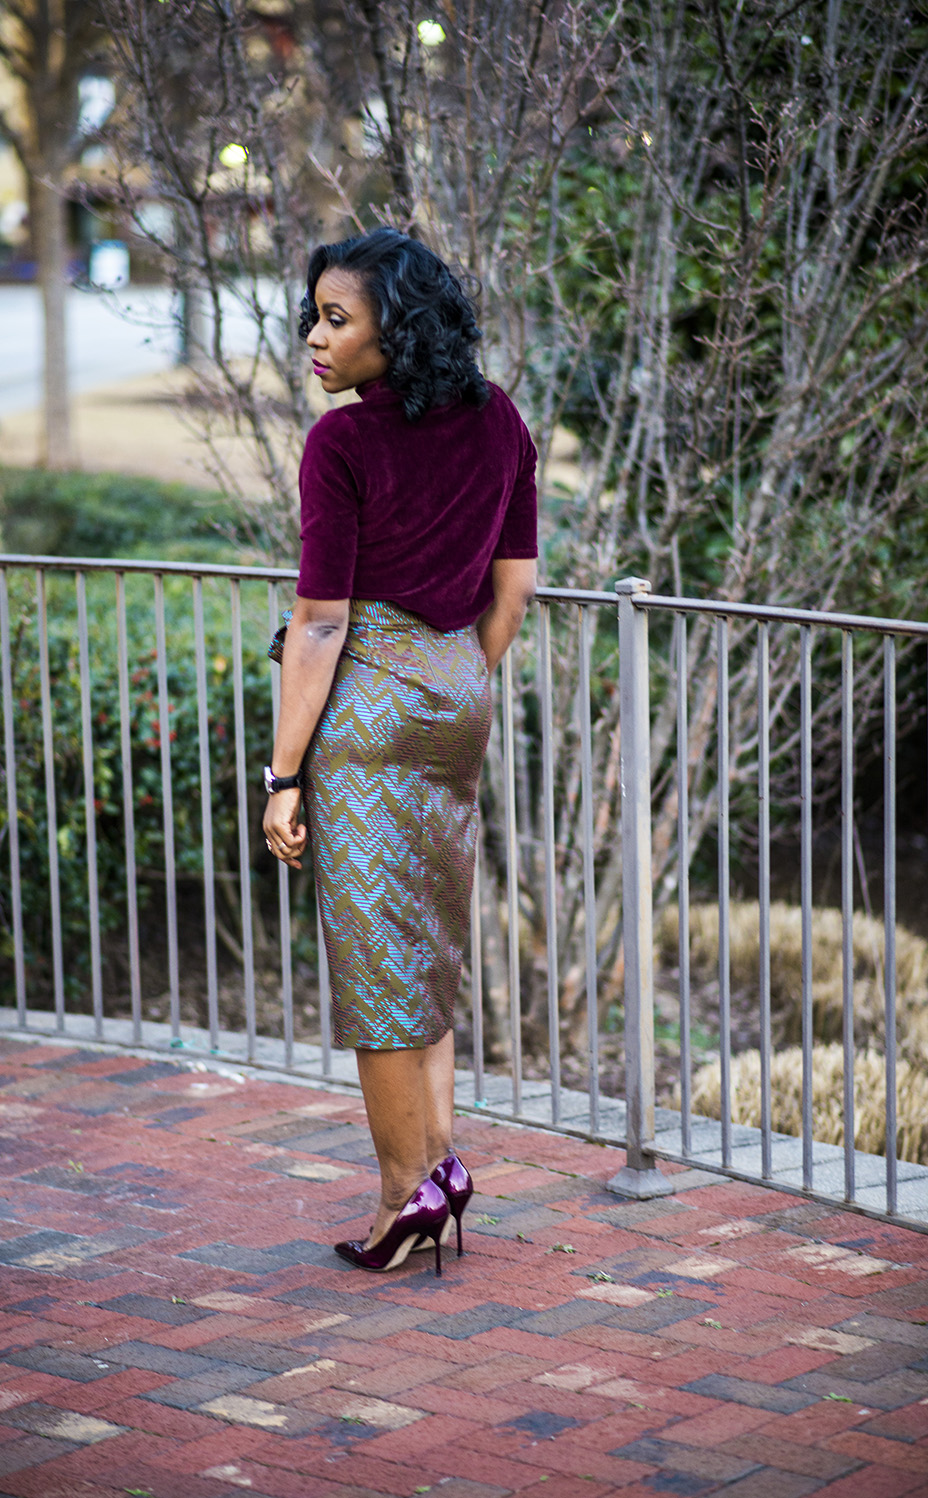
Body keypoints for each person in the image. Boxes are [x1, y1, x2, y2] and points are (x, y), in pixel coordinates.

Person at [262, 227, 537, 1276]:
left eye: (337, 319)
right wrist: (453, 673)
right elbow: (513, 589)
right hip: (459, 691)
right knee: (426, 942)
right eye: (315, 317)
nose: (315, 337)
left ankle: (398, 1198)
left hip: (369, 712)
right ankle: (443, 1167)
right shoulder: (499, 416)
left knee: (378, 962)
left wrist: (284, 776)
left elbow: (320, 625)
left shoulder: (342, 443)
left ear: (397, 328)